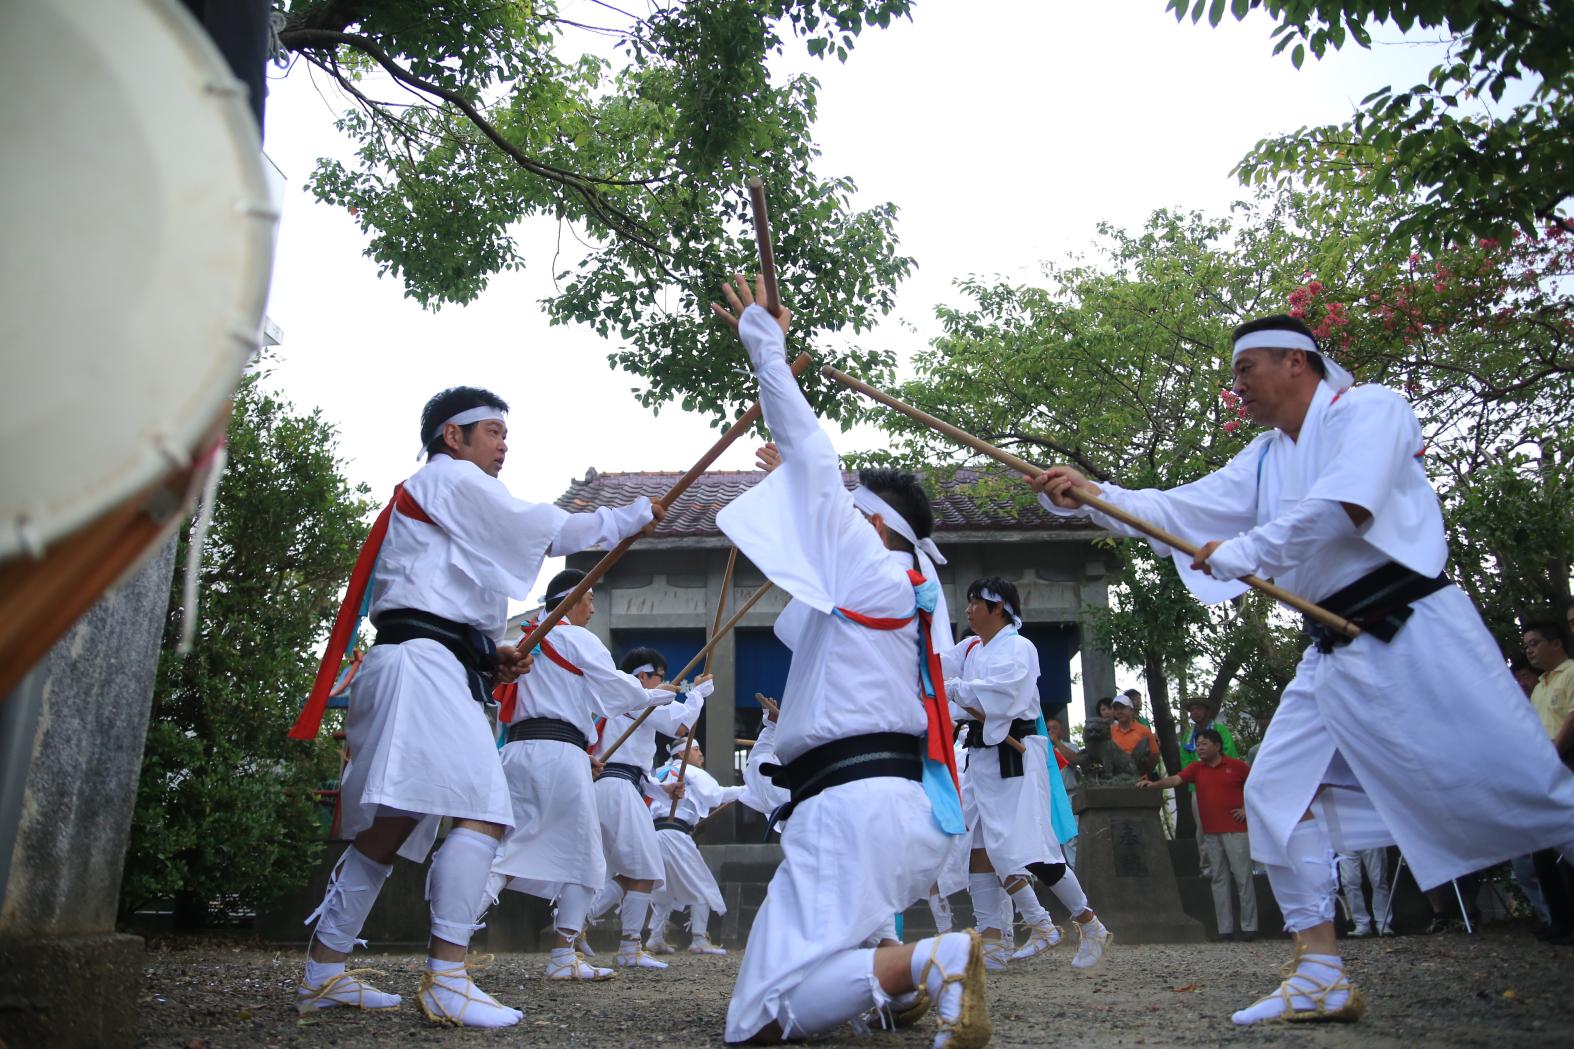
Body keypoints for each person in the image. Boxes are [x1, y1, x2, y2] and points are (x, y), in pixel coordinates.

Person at [1031, 314, 1574, 1025]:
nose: (1238, 389)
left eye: (1246, 370)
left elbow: (1345, 504)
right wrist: (1094, 494)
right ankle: (1320, 969)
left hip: (1413, 632)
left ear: (1297, 361)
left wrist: (1249, 549)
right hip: (1331, 653)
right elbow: (1177, 509)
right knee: (1276, 792)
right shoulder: (1262, 459)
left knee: (1532, 791)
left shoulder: (1370, 410)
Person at [293, 387, 658, 1026]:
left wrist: (492, 654)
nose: (503, 444)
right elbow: (547, 530)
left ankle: (323, 972)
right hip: (422, 669)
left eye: (504, 433)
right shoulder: (450, 478)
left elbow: (438, 597)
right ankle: (448, 976)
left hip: (426, 664)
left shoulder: (444, 502)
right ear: (452, 437)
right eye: (491, 431)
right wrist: (628, 517)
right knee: (483, 813)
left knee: (391, 826)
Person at [712, 275, 990, 1048]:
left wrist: (763, 338)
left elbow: (809, 448)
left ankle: (940, 959)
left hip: (850, 807)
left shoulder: (870, 566)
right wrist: (795, 493)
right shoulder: (912, 590)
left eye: (851, 507)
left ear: (873, 521)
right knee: (828, 960)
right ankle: (895, 982)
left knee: (757, 1021)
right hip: (904, 810)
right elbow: (809, 624)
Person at [486, 570, 678, 982]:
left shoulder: (527, 640)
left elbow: (593, 698)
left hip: (518, 751)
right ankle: (561, 956)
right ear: (572, 599)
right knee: (586, 859)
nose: (593, 607)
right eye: (589, 598)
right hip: (560, 756)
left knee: (500, 849)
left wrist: (641, 698)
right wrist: (648, 696)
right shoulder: (576, 638)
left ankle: (450, 940)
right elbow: (615, 692)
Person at [941, 577, 1111, 972]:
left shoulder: (1019, 647)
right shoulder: (971, 649)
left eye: (974, 603)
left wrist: (956, 690)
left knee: (1029, 849)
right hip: (981, 758)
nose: (967, 610)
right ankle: (993, 942)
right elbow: (939, 670)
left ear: (998, 607)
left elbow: (1003, 694)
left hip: (1012, 757)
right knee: (978, 848)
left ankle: (1089, 923)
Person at [587, 646, 711, 970]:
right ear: (643, 676)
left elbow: (633, 768)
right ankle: (621, 944)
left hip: (621, 787)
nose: (664, 681)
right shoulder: (632, 697)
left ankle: (580, 922)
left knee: (630, 872)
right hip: (617, 789)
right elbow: (681, 728)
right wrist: (696, 696)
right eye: (659, 676)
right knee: (643, 869)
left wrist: (662, 789)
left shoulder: (633, 702)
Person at [1141, 729, 1258, 942]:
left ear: (1217, 746)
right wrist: (1153, 785)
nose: (1200, 748)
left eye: (1204, 744)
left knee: (1243, 878)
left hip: (1236, 830)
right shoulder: (1196, 768)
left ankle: (1249, 927)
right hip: (1211, 832)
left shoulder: (1237, 766)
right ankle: (1225, 929)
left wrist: (1246, 809)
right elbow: (1176, 780)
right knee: (1218, 879)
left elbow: (1257, 786)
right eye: (1198, 744)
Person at [646, 740, 746, 955]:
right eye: (696, 749)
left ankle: (655, 938)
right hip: (674, 834)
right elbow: (715, 795)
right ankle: (699, 939)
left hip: (655, 833)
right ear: (681, 754)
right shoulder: (689, 771)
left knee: (665, 889)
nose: (701, 754)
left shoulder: (660, 772)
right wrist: (746, 790)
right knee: (702, 883)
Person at [1523, 620, 1574, 943]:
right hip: (1542, 769)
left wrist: (1553, 753)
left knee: (1568, 844)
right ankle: (1558, 920)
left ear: (1556, 643)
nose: (1529, 650)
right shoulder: (1540, 685)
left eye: (1535, 643)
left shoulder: (1571, 673)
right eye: (1526, 645)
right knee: (1542, 851)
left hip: (1566, 762)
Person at [1335, 849, 1392, 937]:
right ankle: (1361, 923)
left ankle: (1383, 922)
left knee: (1378, 879)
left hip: (1371, 838)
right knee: (1349, 881)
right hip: (1346, 839)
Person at [1108, 696, 1159, 776]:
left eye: (1122, 708)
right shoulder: (1110, 732)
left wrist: (1145, 774)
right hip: (1117, 776)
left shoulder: (1144, 730)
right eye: (1116, 709)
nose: (1119, 711)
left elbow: (1154, 755)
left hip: (1139, 777)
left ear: (1131, 710)